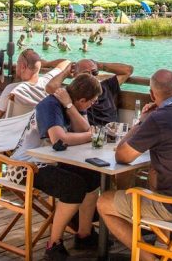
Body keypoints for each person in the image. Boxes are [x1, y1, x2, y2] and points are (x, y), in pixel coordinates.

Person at [97, 69, 172, 257]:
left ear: (152, 94)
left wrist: (141, 121)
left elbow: (122, 156)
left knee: (104, 201)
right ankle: (162, 246)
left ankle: (148, 258)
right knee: (155, 180)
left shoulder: (157, 118)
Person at [10, 75, 103, 260]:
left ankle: (84, 234)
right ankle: (53, 244)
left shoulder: (71, 104)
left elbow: (84, 129)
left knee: (93, 176)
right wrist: (91, 137)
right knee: (73, 186)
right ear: (82, 99)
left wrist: (70, 106)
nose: (92, 105)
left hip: (52, 162)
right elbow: (59, 139)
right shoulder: (50, 105)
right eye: (91, 102)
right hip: (25, 167)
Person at [48, 58, 134, 127]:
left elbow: (128, 70)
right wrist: (65, 72)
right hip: (89, 134)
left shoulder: (106, 86)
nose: (91, 76)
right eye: (86, 73)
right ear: (75, 75)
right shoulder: (72, 92)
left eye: (94, 73)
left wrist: (98, 65)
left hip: (111, 132)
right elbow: (50, 87)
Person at [0, 50, 69, 119]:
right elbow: (66, 62)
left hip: (13, 132)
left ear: (23, 67)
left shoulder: (13, 89)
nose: (16, 66)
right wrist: (46, 63)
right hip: (37, 131)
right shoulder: (48, 82)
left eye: (17, 63)